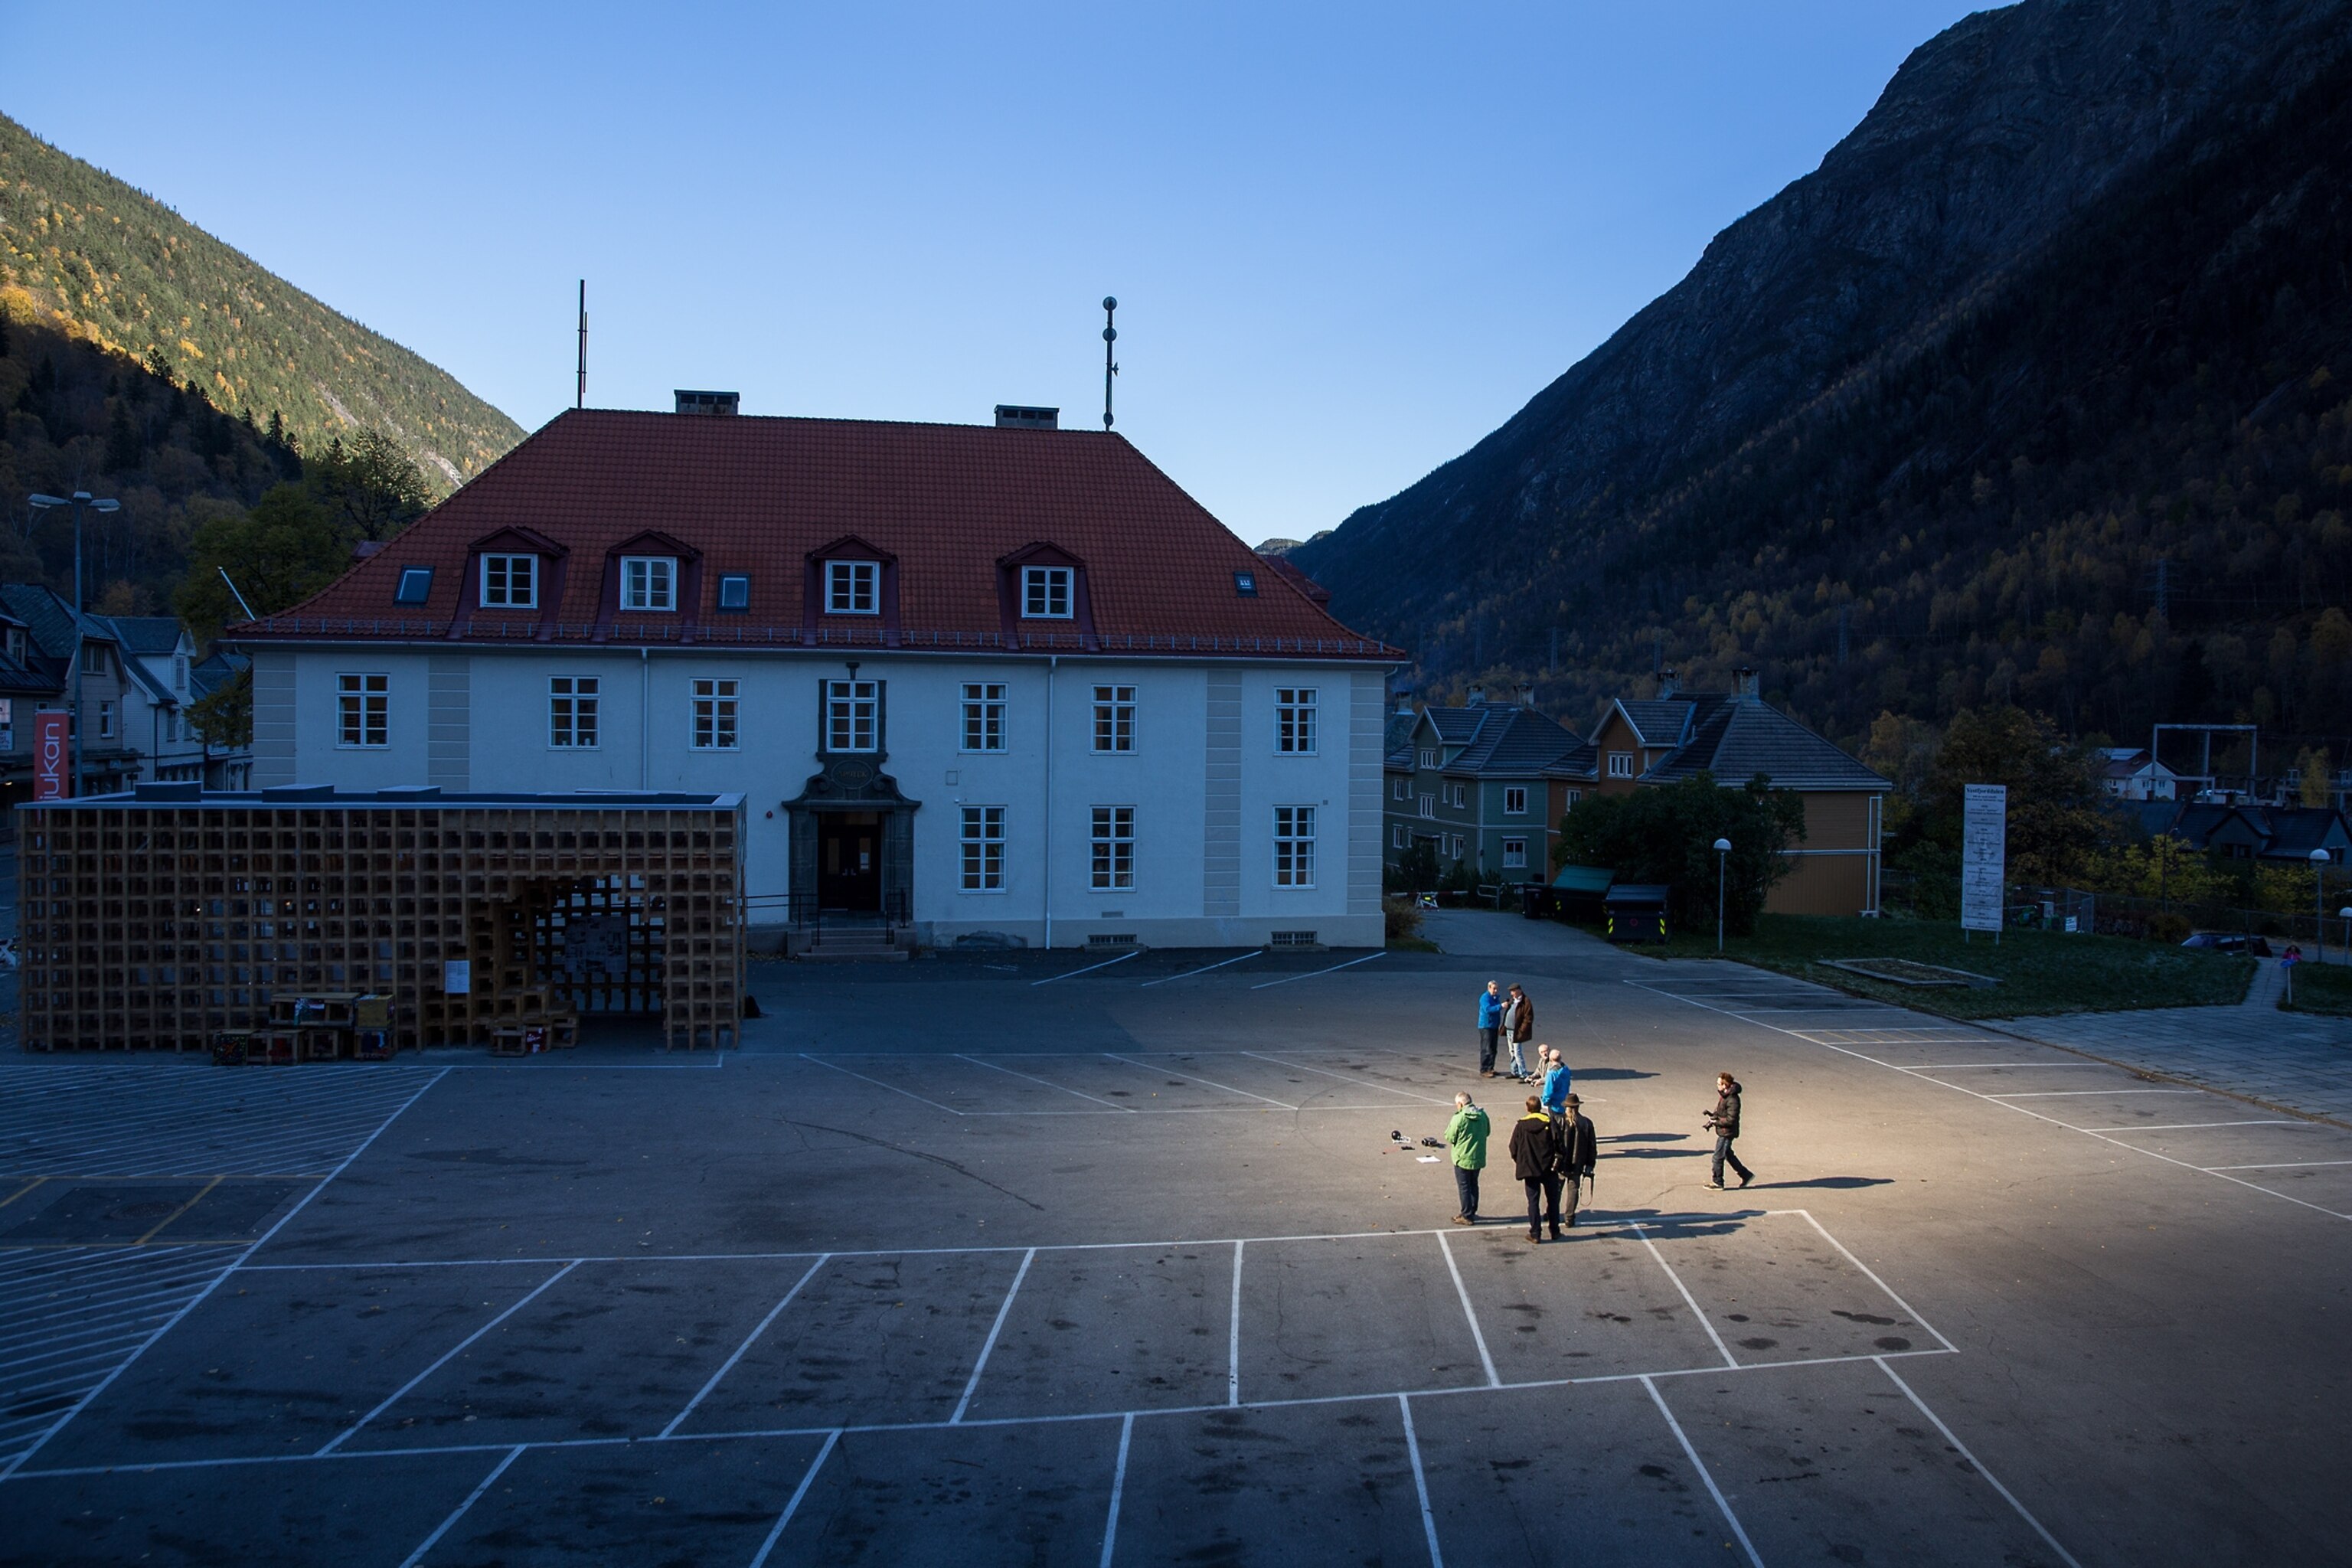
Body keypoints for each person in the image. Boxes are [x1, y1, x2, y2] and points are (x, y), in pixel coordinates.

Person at [1507, 1094, 1565, 1243]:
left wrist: (1520, 1161)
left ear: (1528, 1109)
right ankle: (1555, 1231)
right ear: (1540, 1108)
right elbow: (1560, 1145)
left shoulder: (1521, 1126)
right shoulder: (1550, 1123)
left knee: (1533, 1201)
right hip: (1549, 1169)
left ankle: (1535, 1233)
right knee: (1553, 1201)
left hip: (1530, 1169)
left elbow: (1513, 1147)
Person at [1446, 1091, 1490, 1223]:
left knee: (1464, 1186)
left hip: (1462, 1157)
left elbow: (1449, 1136)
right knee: (1473, 1184)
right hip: (1478, 1155)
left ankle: (1466, 1214)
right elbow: (1487, 1132)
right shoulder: (1483, 1115)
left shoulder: (1459, 1118)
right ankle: (1472, 1210)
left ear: (1460, 1104)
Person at [1555, 1092, 1597, 1229]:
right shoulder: (1586, 1123)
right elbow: (1592, 1146)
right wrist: (1590, 1165)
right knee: (1573, 1190)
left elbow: (1554, 1143)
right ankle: (1569, 1217)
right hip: (1578, 1164)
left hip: (1561, 1163)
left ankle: (1553, 1214)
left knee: (1556, 1190)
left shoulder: (1559, 1121)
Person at [1704, 1071, 1752, 1190]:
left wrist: (1717, 1122)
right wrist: (1713, 1117)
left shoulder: (1733, 1099)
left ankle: (1718, 1182)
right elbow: (1720, 1111)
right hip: (1724, 1130)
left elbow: (1731, 1120)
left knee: (1717, 1157)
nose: (1717, 1086)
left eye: (1719, 1083)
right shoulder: (1725, 1096)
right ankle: (1746, 1175)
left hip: (1727, 1133)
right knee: (1728, 1155)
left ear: (1725, 1085)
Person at [1502, 984, 1534, 1080]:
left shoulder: (1525, 1001)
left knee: (1517, 1052)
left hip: (1517, 1032)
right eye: (1511, 992)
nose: (1512, 994)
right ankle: (1514, 1071)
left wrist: (1522, 1030)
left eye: (1513, 991)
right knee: (1512, 1051)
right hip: (1509, 1030)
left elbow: (1528, 1018)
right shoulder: (1512, 1000)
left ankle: (1523, 1073)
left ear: (1519, 990)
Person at [1475, 981, 1503, 1077]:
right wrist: (1501, 1006)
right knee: (1486, 1048)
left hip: (1494, 1026)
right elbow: (1488, 1009)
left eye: (1497, 989)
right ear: (1489, 988)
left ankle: (1491, 1068)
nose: (1496, 990)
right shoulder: (1485, 998)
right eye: (1494, 988)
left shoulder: (1495, 998)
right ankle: (1484, 1069)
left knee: (1493, 1048)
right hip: (1486, 1026)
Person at [1539, 1046, 1571, 1118]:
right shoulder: (1566, 1069)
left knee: (1556, 1124)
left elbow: (1548, 1091)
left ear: (1550, 1060)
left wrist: (1545, 1101)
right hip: (1565, 1101)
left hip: (1555, 1105)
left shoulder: (1552, 1074)